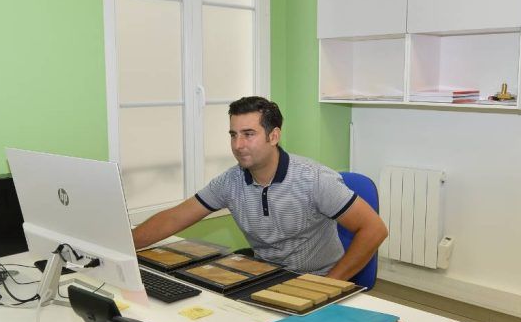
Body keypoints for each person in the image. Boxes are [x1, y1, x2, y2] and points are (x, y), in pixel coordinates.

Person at [132, 96, 388, 280]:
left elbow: (374, 229)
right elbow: (174, 217)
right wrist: (124, 244)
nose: (238, 144)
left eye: (248, 134)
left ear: (273, 136)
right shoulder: (230, 181)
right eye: (233, 135)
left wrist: (331, 285)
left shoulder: (314, 179)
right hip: (264, 277)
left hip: (317, 278)